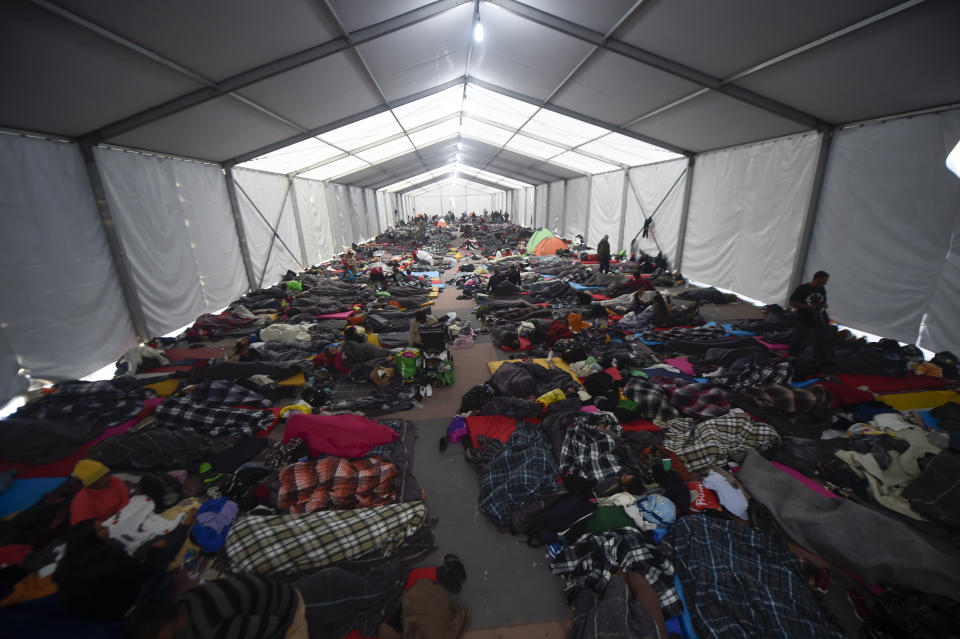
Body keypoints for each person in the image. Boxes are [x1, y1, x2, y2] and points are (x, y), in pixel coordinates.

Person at [124, 574, 307, 639]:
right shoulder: (185, 601)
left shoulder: (213, 629)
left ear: (165, 629)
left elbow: (273, 626)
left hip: (287, 607)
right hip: (270, 593)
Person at [788, 270, 835, 371]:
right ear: (817, 279)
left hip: (819, 319)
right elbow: (791, 302)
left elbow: (823, 301)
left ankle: (820, 359)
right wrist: (807, 307)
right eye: (824, 280)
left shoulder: (822, 289)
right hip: (804, 318)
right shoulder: (802, 289)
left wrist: (824, 305)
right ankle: (791, 356)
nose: (825, 283)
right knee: (798, 337)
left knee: (821, 339)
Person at [70, 459, 130, 525]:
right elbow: (88, 528)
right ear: (91, 483)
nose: (107, 478)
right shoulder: (81, 502)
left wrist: (121, 517)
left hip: (124, 516)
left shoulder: (114, 481)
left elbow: (125, 501)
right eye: (101, 478)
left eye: (106, 474)